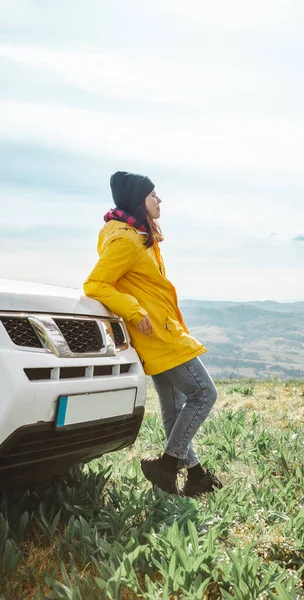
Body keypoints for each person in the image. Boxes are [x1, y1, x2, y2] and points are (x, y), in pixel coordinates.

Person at [83, 171, 223, 497]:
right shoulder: (126, 240)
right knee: (204, 394)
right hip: (158, 335)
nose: (159, 200)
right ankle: (167, 466)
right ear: (138, 200)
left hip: (160, 332)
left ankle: (195, 474)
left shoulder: (138, 235)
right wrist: (134, 310)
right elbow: (96, 284)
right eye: (153, 195)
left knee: (174, 407)